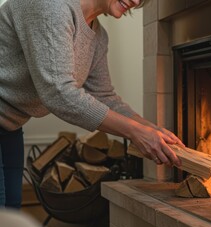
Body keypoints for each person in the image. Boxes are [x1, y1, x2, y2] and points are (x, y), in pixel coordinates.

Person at [0, 0, 183, 209]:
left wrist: (150, 129)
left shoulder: (98, 36)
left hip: (10, 125)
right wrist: (135, 133)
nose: (135, 1)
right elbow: (58, 93)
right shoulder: (52, 5)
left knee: (9, 215)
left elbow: (105, 96)